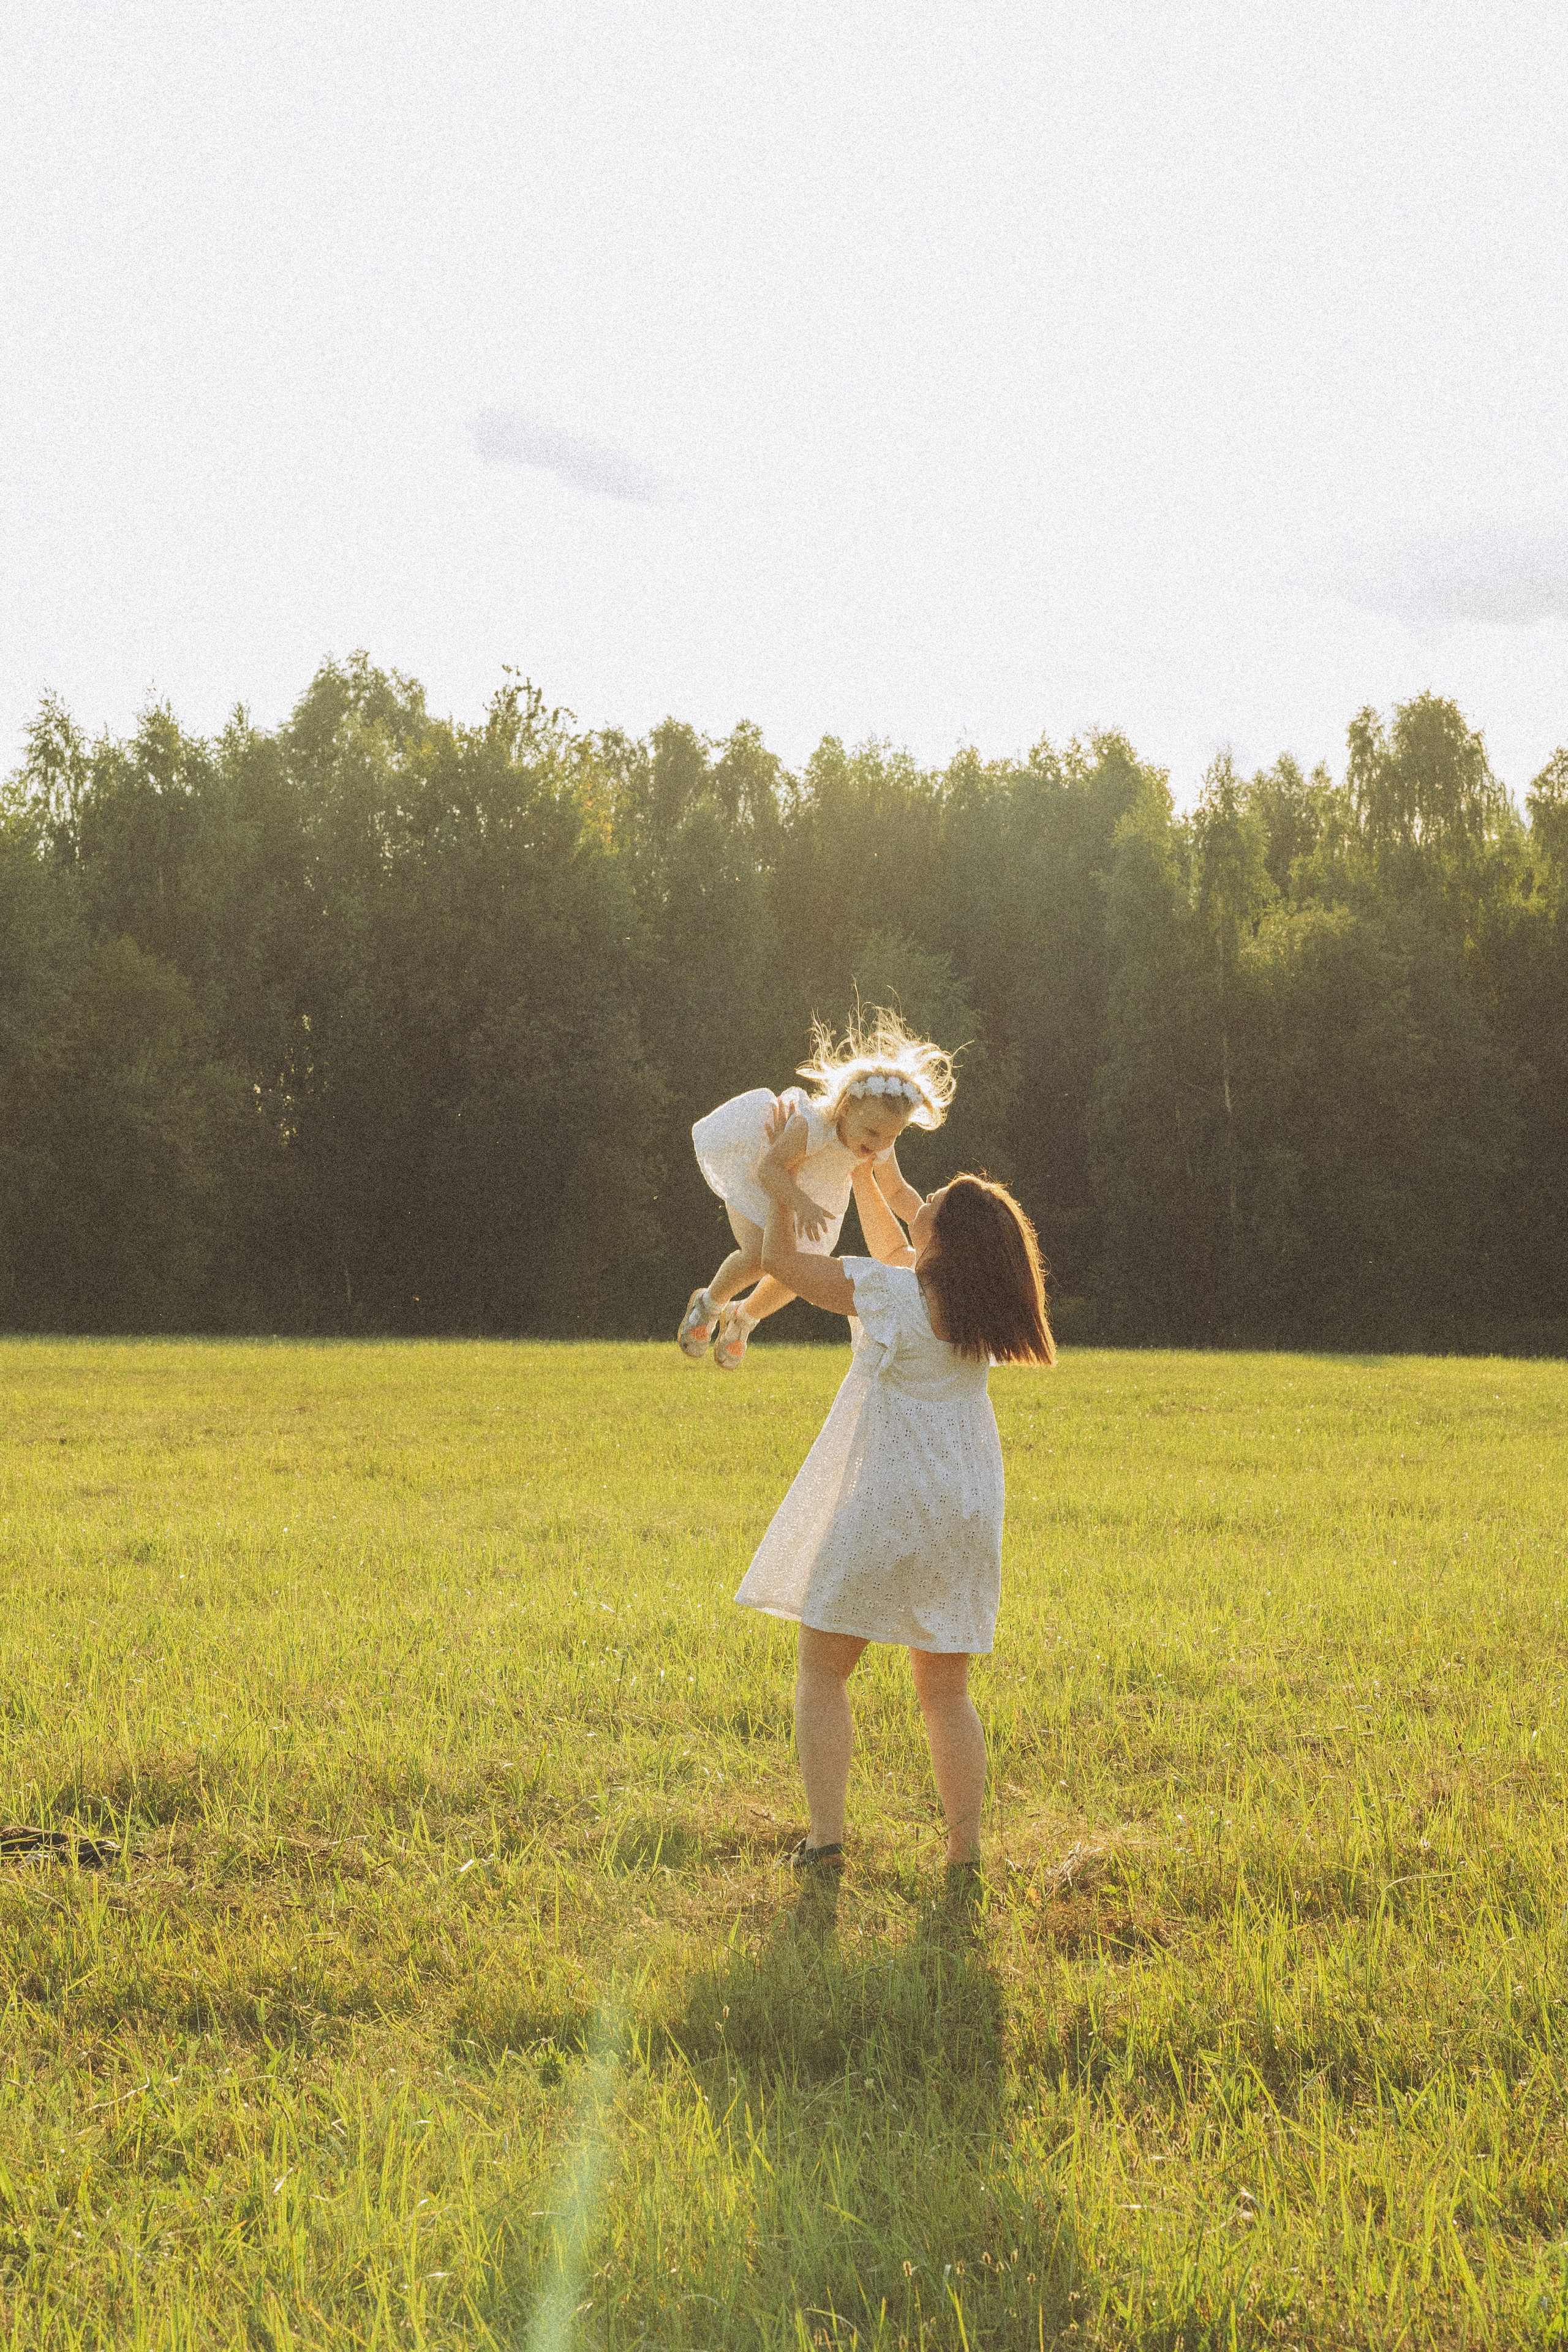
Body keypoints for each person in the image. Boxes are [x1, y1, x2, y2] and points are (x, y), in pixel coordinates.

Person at [734, 1167, 1055, 1871]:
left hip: (887, 1499)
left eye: (930, 1202)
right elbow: (896, 1250)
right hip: (963, 1512)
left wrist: (787, 1187)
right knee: (945, 1691)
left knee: (822, 1669)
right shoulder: (979, 1310)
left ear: (944, 1235)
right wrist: (863, 1172)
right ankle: (964, 1853)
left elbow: (782, 1265)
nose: (922, 1200)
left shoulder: (889, 1294)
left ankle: (824, 1841)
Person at [677, 1009, 956, 1370]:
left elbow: (898, 1192)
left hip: (818, 1206)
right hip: (769, 1187)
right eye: (873, 1132)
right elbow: (770, 1169)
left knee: (798, 1275)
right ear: (847, 1106)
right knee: (761, 1256)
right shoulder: (813, 1124)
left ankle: (743, 1318)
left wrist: (927, 1224)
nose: (881, 1143)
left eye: (893, 1135)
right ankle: (710, 1304)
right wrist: (800, 1203)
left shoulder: (879, 1144)